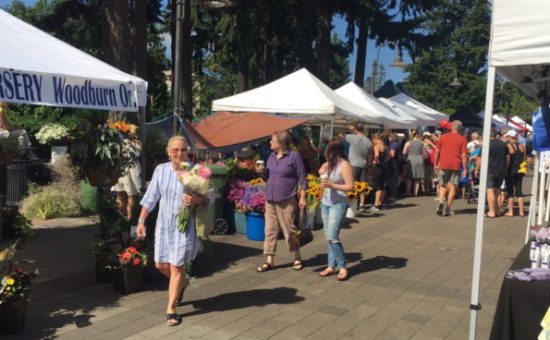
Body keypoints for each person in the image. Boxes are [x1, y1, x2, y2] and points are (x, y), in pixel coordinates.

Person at [136, 136, 208, 326]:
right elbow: (151, 198)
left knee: (176, 267)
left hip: (184, 227)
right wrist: (141, 220)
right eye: (175, 150)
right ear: (169, 152)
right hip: (163, 225)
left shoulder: (196, 171)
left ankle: (171, 308)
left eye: (183, 150)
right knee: (161, 265)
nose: (179, 153)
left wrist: (196, 200)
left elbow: (209, 199)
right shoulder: (161, 170)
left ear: (188, 151)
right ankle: (181, 284)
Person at [257, 130, 307, 273]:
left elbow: (302, 177)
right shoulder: (271, 157)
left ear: (281, 142)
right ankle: (269, 260)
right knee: (270, 230)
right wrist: (261, 173)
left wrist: (303, 196)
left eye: (272, 140)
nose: (270, 142)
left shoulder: (294, 156)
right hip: (270, 198)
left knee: (290, 230)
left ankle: (297, 257)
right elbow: (269, 177)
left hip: (286, 198)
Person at [317, 137, 354, 281]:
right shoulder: (330, 164)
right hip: (326, 202)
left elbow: (350, 186)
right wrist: (323, 170)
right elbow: (321, 174)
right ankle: (330, 265)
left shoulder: (344, 165)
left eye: (327, 149)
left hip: (338, 203)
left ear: (332, 150)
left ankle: (343, 266)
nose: (325, 151)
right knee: (328, 236)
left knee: (332, 236)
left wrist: (334, 186)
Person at [434, 120, 467, 216]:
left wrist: (436, 164)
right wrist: (465, 168)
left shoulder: (443, 137)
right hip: (456, 165)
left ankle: (441, 201)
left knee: (442, 184)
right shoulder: (463, 139)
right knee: (453, 186)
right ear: (460, 129)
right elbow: (464, 155)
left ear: (451, 127)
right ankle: (448, 208)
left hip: (443, 164)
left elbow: (437, 151)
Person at [484, 130, 512, 217]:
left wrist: (478, 169)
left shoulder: (486, 144)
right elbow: (507, 158)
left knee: (490, 190)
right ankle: (498, 210)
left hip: (490, 170)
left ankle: (491, 211)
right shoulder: (503, 144)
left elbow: (480, 159)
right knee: (497, 190)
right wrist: (506, 169)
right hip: (501, 170)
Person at [345, 123, 373, 210]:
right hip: (364, 165)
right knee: (362, 185)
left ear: (356, 130)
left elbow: (342, 135)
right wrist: (369, 167)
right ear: (363, 130)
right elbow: (370, 157)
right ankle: (361, 204)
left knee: (351, 184)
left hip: (353, 164)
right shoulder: (369, 141)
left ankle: (350, 203)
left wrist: (350, 129)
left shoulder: (352, 137)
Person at [504, 130, 526, 217]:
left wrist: (505, 170)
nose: (506, 138)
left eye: (507, 136)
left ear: (510, 137)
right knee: (519, 190)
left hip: (511, 171)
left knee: (510, 191)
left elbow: (508, 160)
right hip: (520, 170)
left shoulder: (508, 145)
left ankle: (510, 211)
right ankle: (521, 211)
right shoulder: (522, 146)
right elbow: (524, 158)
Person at [403, 132, 426, 196]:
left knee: (409, 177)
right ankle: (415, 193)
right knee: (417, 178)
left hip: (410, 159)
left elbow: (404, 152)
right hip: (419, 159)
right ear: (418, 135)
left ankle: (408, 192)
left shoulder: (408, 142)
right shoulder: (422, 143)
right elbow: (424, 153)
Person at [370, 133, 389, 211]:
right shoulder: (385, 146)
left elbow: (377, 155)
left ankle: (376, 205)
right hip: (384, 167)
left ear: (375, 139)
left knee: (378, 187)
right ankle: (380, 203)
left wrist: (375, 161)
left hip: (378, 168)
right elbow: (389, 156)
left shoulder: (376, 146)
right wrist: (384, 161)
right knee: (382, 186)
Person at [386, 133, 402, 202]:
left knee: (392, 180)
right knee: (394, 180)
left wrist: (386, 158)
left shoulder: (393, 145)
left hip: (393, 163)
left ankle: (392, 196)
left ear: (392, 138)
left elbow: (392, 154)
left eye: (389, 137)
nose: (388, 139)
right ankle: (393, 195)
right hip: (396, 163)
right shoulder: (398, 144)